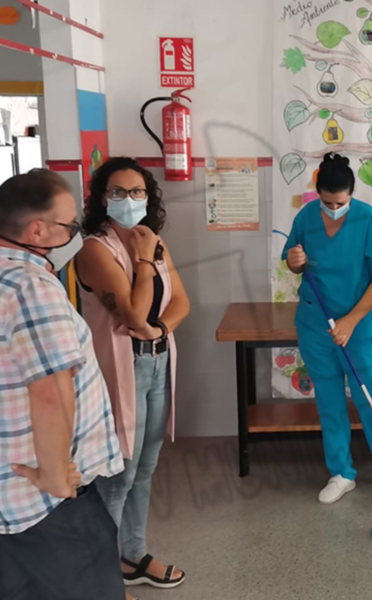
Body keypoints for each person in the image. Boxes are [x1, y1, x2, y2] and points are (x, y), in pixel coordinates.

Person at [0, 170, 125, 599]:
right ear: (37, 230)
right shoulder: (31, 287)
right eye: (69, 226)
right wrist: (54, 474)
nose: (75, 233)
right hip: (44, 499)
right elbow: (51, 390)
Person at [75, 157, 190, 592]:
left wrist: (158, 329)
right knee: (119, 470)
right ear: (103, 199)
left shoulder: (153, 241)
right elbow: (132, 312)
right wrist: (143, 262)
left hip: (158, 358)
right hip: (121, 367)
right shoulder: (94, 250)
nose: (129, 200)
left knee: (145, 467)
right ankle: (101, 564)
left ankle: (133, 554)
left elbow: (181, 302)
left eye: (138, 192)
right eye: (119, 192)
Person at [281, 152, 372, 504]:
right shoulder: (306, 217)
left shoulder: (366, 219)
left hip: (360, 325)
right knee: (329, 399)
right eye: (327, 202)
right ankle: (341, 472)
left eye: (340, 202)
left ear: (352, 195)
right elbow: (295, 262)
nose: (333, 208)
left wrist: (351, 321)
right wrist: (295, 263)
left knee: (369, 396)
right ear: (318, 194)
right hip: (315, 324)